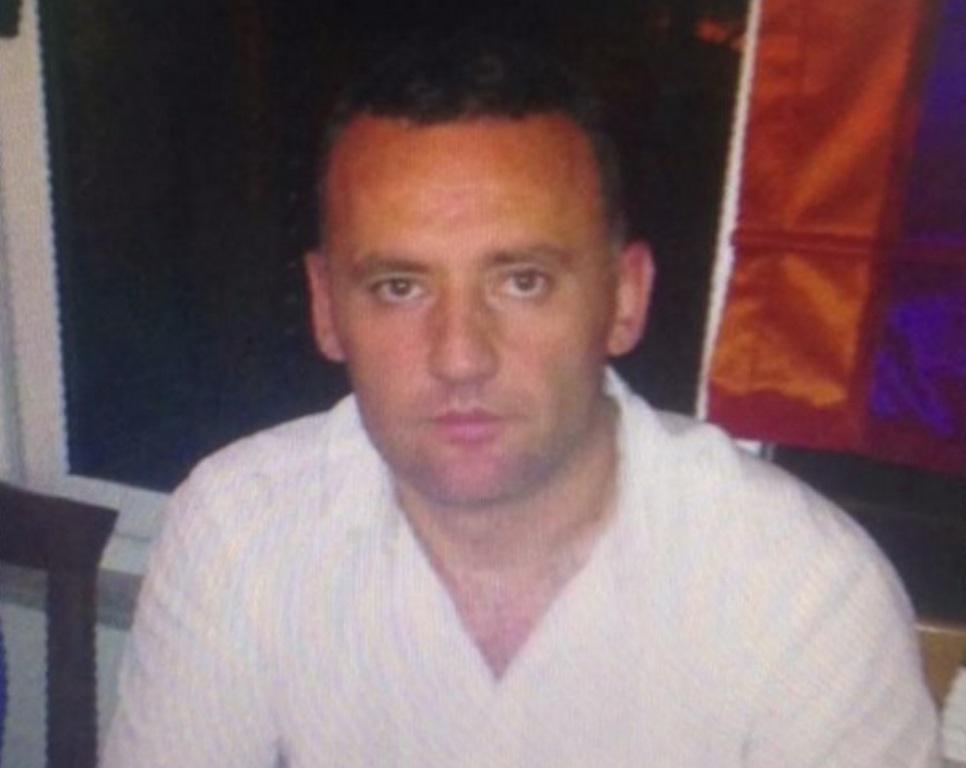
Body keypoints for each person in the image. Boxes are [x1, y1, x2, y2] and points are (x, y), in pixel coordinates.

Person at [103, 36, 939, 767]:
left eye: (523, 281)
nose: (460, 357)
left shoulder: (801, 588)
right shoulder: (240, 529)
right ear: (326, 307)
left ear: (625, 298)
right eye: (399, 287)